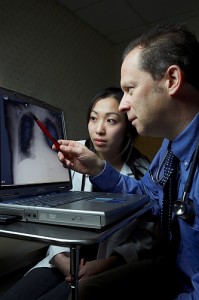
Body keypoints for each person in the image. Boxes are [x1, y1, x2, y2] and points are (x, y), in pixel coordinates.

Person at [52, 23, 199, 300]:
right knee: (84, 292)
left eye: (130, 89)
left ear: (171, 80)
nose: (122, 104)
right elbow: (149, 198)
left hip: (189, 285)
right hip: (172, 267)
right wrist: (98, 169)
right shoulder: (170, 146)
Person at [1, 87, 154, 300]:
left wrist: (107, 263)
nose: (99, 129)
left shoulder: (142, 172)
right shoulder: (71, 154)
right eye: (93, 118)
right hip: (60, 259)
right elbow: (52, 211)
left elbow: (148, 235)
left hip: (103, 267)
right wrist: (61, 259)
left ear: (128, 127)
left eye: (111, 121)